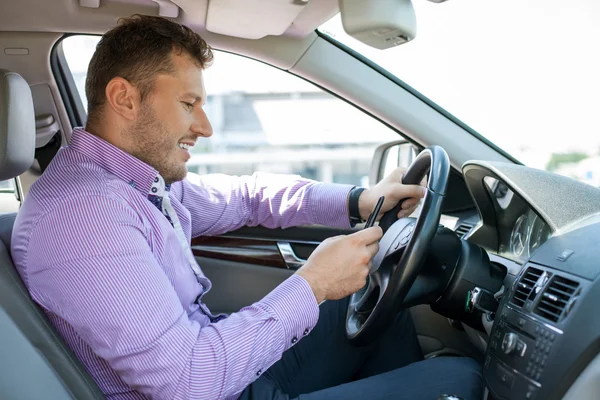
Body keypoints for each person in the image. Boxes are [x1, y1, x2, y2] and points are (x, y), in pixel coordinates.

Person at [11, 15, 483, 400]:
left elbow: (248, 196)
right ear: (124, 99)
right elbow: (190, 383)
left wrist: (358, 201)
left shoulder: (130, 182)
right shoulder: (83, 214)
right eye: (189, 103)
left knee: (378, 301)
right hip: (209, 389)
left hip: (230, 376)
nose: (206, 126)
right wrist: (314, 283)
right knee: (462, 381)